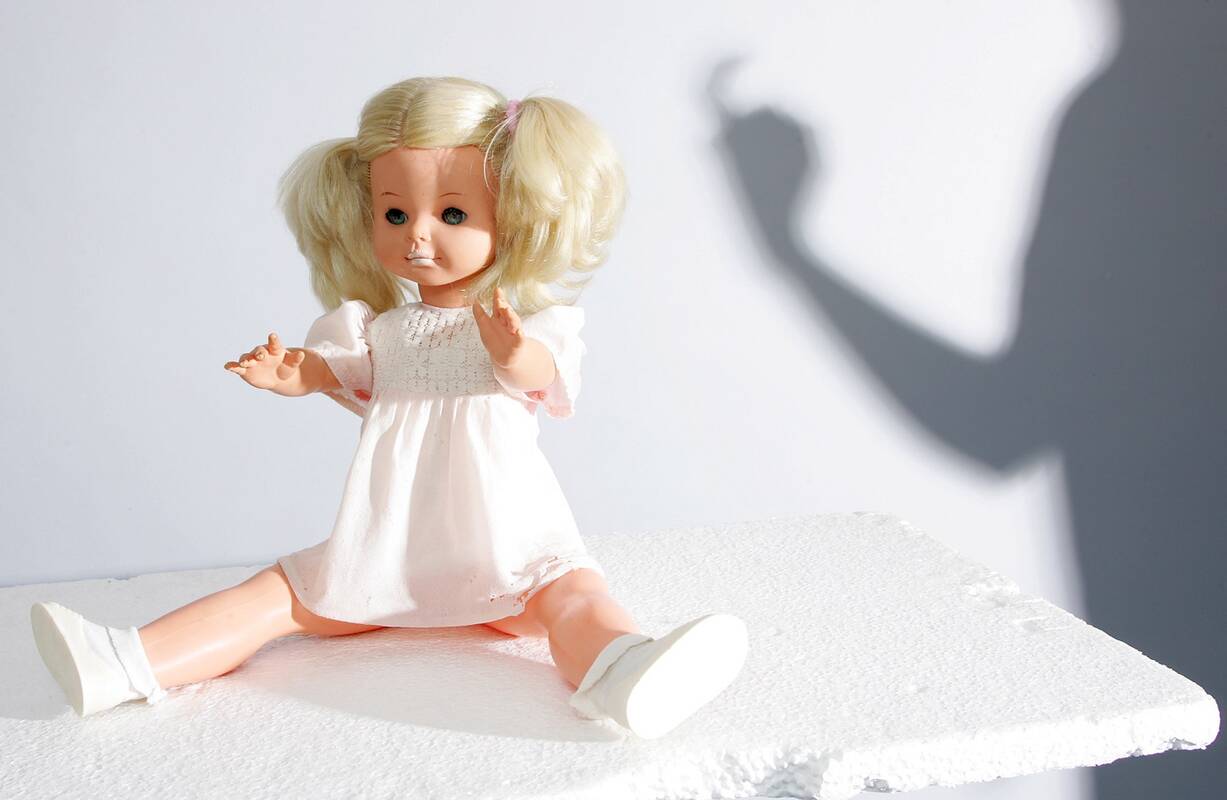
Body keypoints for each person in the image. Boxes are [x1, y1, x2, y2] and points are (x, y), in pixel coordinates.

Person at [30, 76, 748, 739]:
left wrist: (509, 351)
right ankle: (125, 663)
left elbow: (541, 377)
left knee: (570, 596)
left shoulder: (530, 325)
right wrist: (298, 373)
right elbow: (346, 377)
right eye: (395, 213)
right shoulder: (381, 329)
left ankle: (622, 668)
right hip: (392, 539)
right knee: (276, 594)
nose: (417, 234)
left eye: (453, 213)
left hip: (504, 541)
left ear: (513, 217)